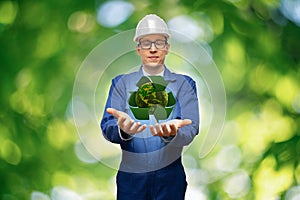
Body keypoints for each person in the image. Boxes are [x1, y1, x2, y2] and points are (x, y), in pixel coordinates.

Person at [100, 14, 199, 200]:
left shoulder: (185, 84)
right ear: (138, 49)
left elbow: (191, 127)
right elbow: (107, 125)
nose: (153, 49)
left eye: (159, 42)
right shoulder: (121, 84)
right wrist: (123, 130)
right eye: (146, 43)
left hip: (170, 179)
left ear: (167, 48)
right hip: (131, 180)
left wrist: (173, 133)